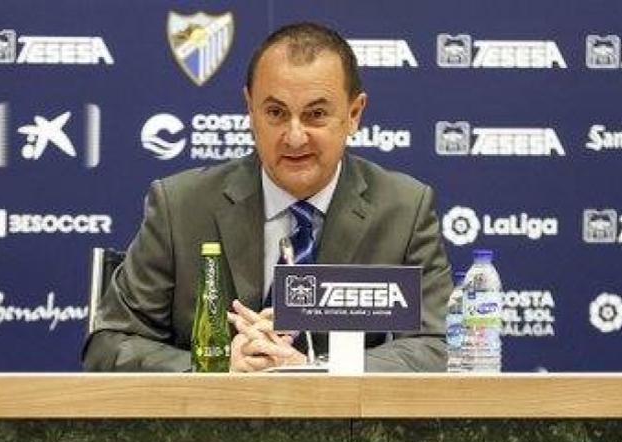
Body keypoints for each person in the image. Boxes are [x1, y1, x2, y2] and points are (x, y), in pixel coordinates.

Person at [81, 22, 453, 373]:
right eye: (276, 112)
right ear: (250, 110)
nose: (295, 137)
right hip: (212, 418)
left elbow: (436, 344)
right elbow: (110, 343)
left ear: (354, 114)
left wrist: (314, 371)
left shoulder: (404, 209)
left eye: (316, 114)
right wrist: (216, 366)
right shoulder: (180, 207)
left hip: (342, 419)